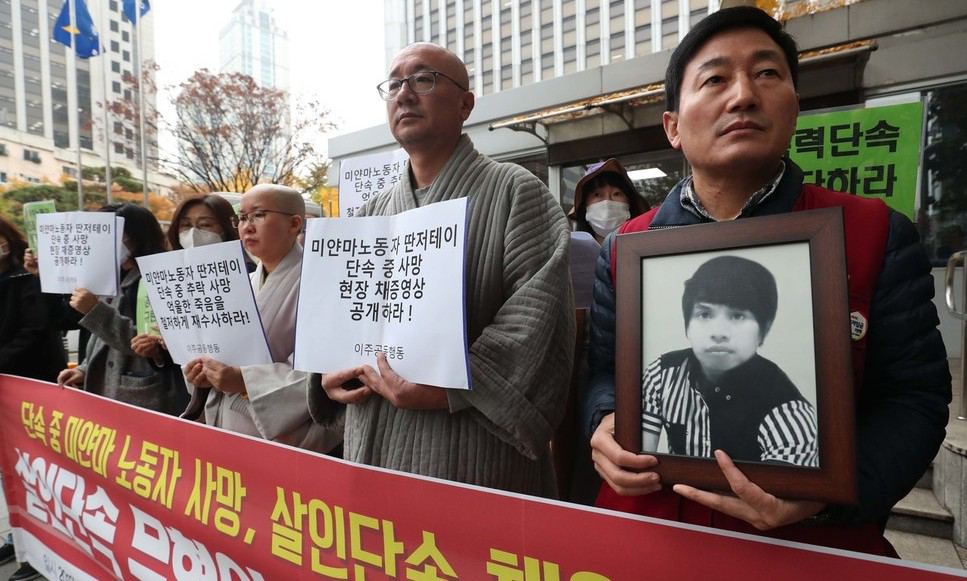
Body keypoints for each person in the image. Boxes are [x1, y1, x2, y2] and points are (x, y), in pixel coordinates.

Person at [582, 6, 949, 555]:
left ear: (794, 105)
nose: (743, 96)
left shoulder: (872, 232)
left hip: (805, 548)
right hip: (648, 535)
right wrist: (604, 422)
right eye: (715, 79)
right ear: (673, 126)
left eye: (767, 73)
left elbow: (913, 399)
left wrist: (831, 497)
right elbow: (603, 372)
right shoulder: (624, 249)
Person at [313, 42, 574, 496]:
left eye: (424, 79)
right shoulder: (367, 215)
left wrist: (450, 389)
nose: (404, 94)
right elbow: (346, 323)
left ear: (465, 104)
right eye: (394, 84)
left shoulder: (516, 191)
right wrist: (329, 376)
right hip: (373, 444)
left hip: (470, 454)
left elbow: (538, 316)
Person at [181, 184, 342, 454]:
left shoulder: (325, 280)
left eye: (258, 215)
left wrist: (244, 379)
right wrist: (204, 372)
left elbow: (328, 370)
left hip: (285, 435)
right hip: (231, 421)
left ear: (294, 224)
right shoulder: (242, 282)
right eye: (242, 218)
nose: (247, 226)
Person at [641, 255, 817, 466]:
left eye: (737, 316)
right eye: (704, 314)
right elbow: (639, 460)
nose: (718, 333)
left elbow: (780, 493)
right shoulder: (662, 373)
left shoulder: (789, 414)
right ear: (687, 323)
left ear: (764, 328)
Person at [56, 203, 187, 415]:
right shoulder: (112, 274)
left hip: (142, 395)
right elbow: (101, 339)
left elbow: (146, 342)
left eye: (112, 234)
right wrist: (84, 369)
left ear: (136, 235)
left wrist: (95, 310)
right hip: (112, 389)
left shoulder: (160, 277)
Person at [1, 215, 66, 581]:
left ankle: (42, 543)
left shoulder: (28, 279)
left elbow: (36, 328)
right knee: (11, 466)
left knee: (39, 466)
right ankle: (20, 533)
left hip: (31, 384)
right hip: (6, 386)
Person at [130, 195, 249, 362]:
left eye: (205, 225)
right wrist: (156, 351)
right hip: (187, 385)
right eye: (185, 225)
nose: (193, 232)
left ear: (227, 228)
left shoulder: (247, 274)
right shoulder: (169, 278)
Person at [569, 159, 647, 243]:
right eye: (597, 194)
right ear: (584, 207)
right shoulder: (570, 253)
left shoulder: (650, 247)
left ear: (630, 203)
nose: (607, 202)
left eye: (616, 194)